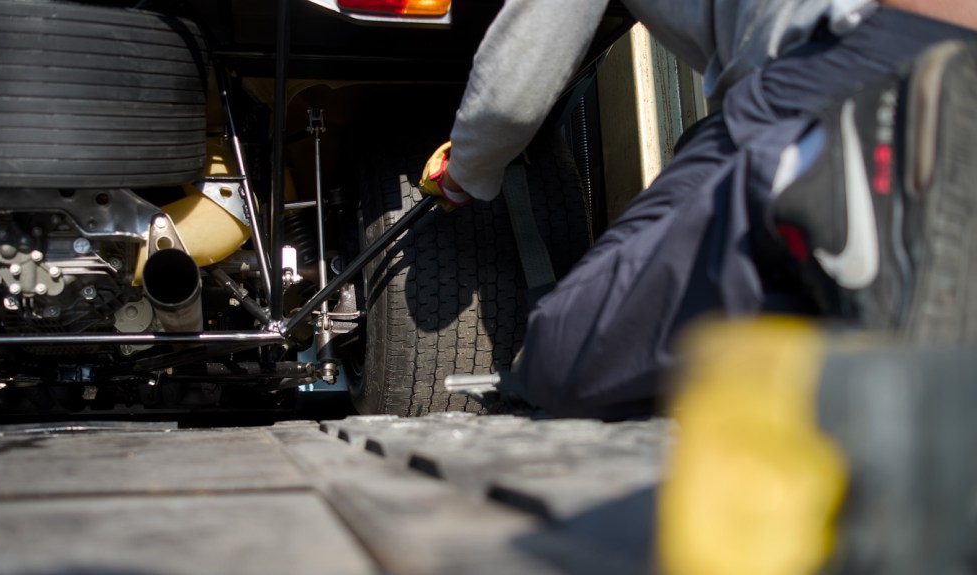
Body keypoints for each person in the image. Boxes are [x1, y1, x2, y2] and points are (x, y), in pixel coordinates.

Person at [419, 0, 977, 419]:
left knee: (560, 351)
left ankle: (815, 166)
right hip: (941, 54)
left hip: (850, 64)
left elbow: (513, 92)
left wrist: (465, 172)